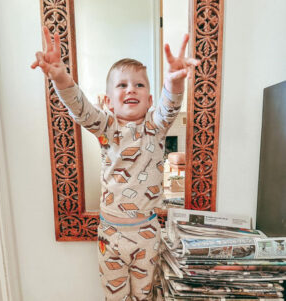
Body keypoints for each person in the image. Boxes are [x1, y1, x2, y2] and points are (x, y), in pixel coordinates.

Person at [31, 26, 199, 301]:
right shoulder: (106, 127)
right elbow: (79, 107)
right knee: (115, 297)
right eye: (122, 85)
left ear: (150, 99)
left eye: (139, 85)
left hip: (146, 232)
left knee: (146, 296)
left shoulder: (155, 127)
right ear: (109, 100)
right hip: (110, 233)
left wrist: (174, 83)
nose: (131, 89)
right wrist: (60, 78)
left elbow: (170, 106)